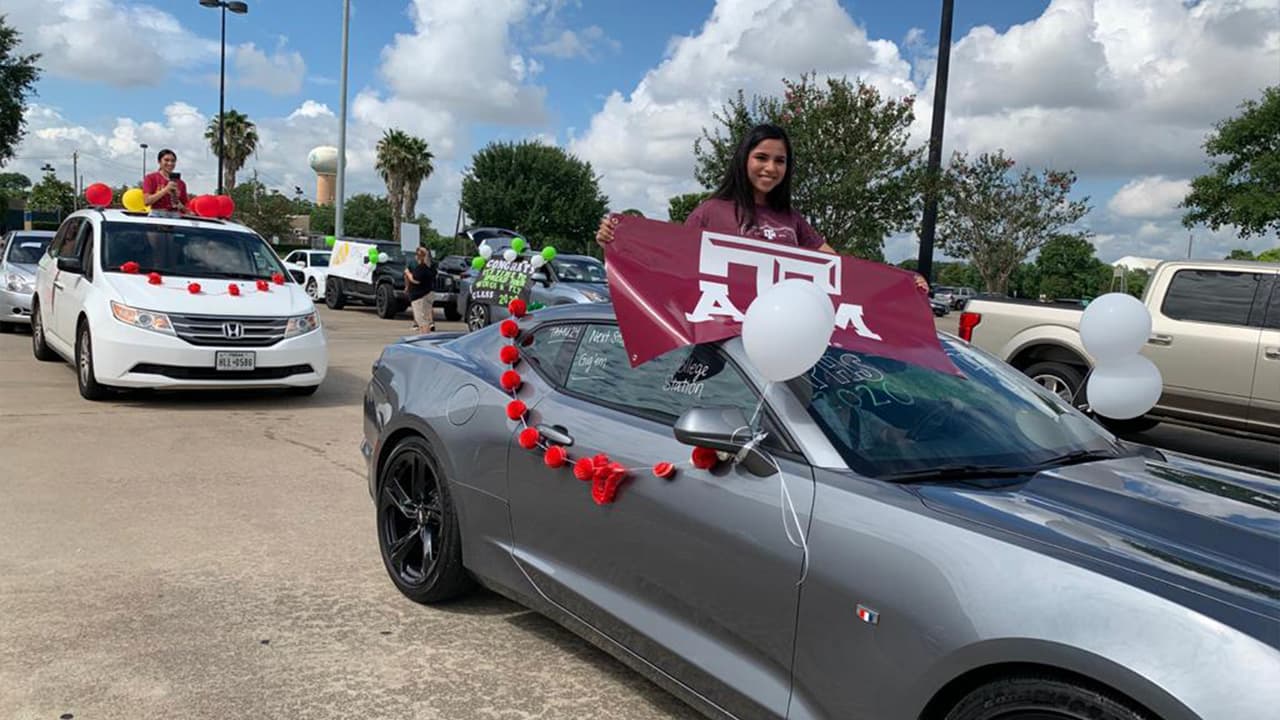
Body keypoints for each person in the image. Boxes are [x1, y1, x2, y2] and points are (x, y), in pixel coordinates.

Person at [596, 123, 928, 292]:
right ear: (744, 159)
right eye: (761, 158)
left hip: (783, 340)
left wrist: (899, 282)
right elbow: (670, 262)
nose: (770, 167)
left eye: (780, 161)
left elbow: (839, 268)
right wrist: (619, 242)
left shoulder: (793, 221)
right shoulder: (710, 212)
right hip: (726, 350)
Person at [404, 247, 437, 333]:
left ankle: (425, 338)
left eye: (417, 254)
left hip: (420, 297)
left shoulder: (421, 268)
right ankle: (425, 334)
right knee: (425, 318)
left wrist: (408, 273)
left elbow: (415, 280)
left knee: (422, 320)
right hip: (427, 293)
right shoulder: (431, 266)